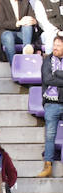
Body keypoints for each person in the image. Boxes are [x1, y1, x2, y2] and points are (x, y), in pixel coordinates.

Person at [39, 34, 63, 177]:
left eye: (59, 45)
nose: (55, 48)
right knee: (50, 135)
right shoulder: (47, 61)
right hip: (51, 103)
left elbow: (53, 78)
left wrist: (58, 74)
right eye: (54, 45)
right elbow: (47, 79)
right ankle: (48, 165)